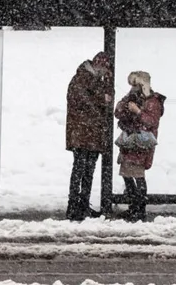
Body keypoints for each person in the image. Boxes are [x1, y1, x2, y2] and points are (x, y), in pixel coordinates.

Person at [65, 52, 113, 222]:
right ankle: (74, 205)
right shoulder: (81, 78)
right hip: (82, 132)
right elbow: (85, 102)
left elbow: (108, 100)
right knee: (80, 168)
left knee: (88, 169)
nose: (104, 72)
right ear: (98, 65)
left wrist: (108, 82)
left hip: (91, 133)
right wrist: (101, 99)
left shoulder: (97, 80)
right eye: (104, 69)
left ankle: (82, 204)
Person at [114, 70, 166, 222]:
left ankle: (140, 209)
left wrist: (137, 112)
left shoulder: (153, 101)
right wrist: (126, 103)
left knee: (138, 175)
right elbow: (118, 112)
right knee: (126, 173)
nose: (133, 88)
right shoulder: (132, 98)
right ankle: (133, 207)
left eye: (135, 85)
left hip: (141, 143)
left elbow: (152, 121)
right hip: (130, 141)